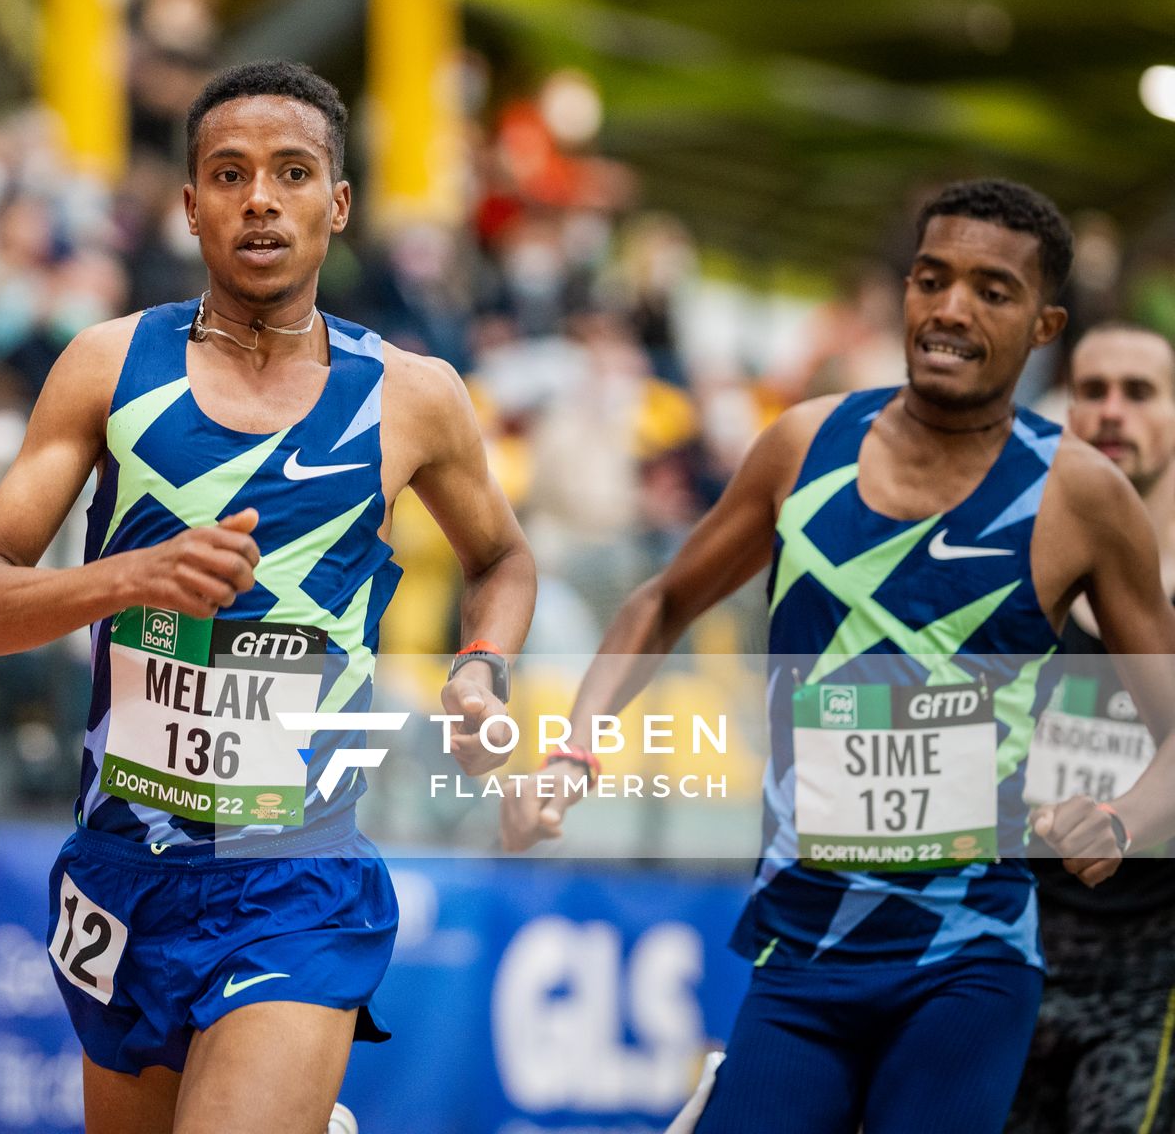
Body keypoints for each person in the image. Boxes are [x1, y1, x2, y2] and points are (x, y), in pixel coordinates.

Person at [502, 179, 1175, 1134]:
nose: (950, 308)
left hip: (969, 956)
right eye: (932, 279)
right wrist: (573, 751)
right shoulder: (803, 445)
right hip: (802, 951)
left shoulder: (1081, 497)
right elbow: (661, 601)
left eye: (992, 291)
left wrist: (1118, 818)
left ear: (1043, 325)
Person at [0, 61, 536, 1133]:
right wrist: (132, 574)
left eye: (292, 171)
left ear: (337, 203)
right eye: (229, 173)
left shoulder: (412, 396)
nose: (260, 196)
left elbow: (502, 557)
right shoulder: (104, 366)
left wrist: (480, 668)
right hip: (125, 864)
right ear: (191, 205)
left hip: (296, 872)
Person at [1006, 323, 1175, 1134]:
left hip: (1151, 970)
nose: (1112, 412)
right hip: (1014, 948)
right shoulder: (1016, 568)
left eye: (1139, 392)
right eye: (1092, 390)